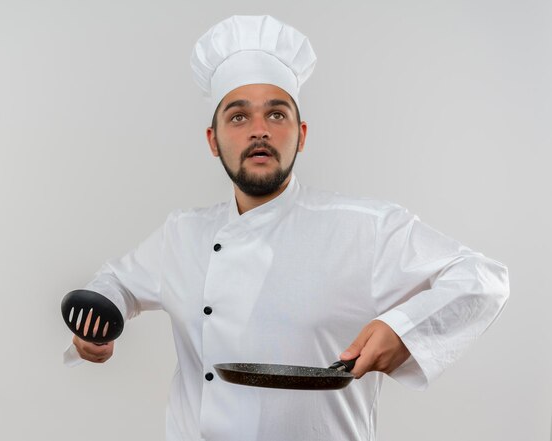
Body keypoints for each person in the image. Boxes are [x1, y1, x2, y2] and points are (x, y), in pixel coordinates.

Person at [65, 15, 509, 441]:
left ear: (302, 133)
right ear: (213, 140)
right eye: (238, 117)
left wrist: (403, 329)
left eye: (276, 114)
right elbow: (117, 282)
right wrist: (101, 325)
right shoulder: (182, 234)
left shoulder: (365, 229)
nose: (259, 130)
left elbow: (483, 279)